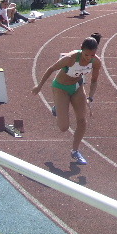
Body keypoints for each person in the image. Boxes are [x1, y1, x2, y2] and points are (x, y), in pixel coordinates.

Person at [32, 34, 102, 165]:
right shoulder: (70, 58)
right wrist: (39, 86)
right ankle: (57, 108)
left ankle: (75, 151)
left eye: (92, 55)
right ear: (81, 49)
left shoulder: (96, 62)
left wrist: (90, 98)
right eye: (86, 55)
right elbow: (51, 69)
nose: (89, 58)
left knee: (82, 120)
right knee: (64, 127)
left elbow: (94, 81)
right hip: (61, 88)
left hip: (77, 87)